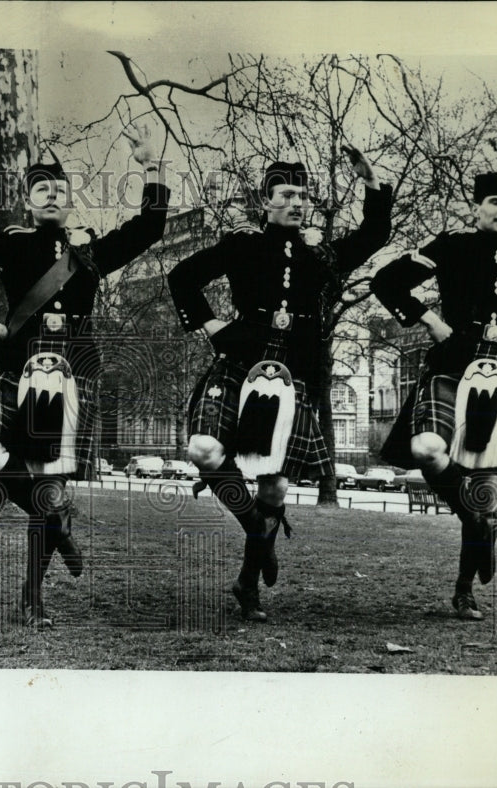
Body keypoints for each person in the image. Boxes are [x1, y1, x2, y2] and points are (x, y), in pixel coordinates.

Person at [0, 124, 169, 627]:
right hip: (15, 366)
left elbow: (149, 229)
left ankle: (33, 599)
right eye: (43, 189)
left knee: (51, 484)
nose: (52, 196)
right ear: (28, 198)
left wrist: (151, 167)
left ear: (69, 203)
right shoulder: (10, 243)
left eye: (60, 191)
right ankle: (57, 522)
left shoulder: (87, 251)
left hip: (72, 374)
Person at [168, 148, 392, 622]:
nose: (297, 203)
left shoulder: (323, 255)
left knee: (275, 488)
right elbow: (183, 277)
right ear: (265, 201)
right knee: (204, 450)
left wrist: (371, 183)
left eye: (303, 196)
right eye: (286, 194)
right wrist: (212, 328)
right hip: (240, 362)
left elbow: (376, 234)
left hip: (296, 373)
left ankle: (248, 585)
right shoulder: (243, 243)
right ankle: (256, 529)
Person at [371, 167, 497, 620]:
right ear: (475, 209)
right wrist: (429, 320)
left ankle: (464, 592)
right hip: (451, 365)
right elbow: (385, 282)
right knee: (427, 448)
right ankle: (475, 521)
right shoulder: (451, 246)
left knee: (485, 488)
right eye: (495, 204)